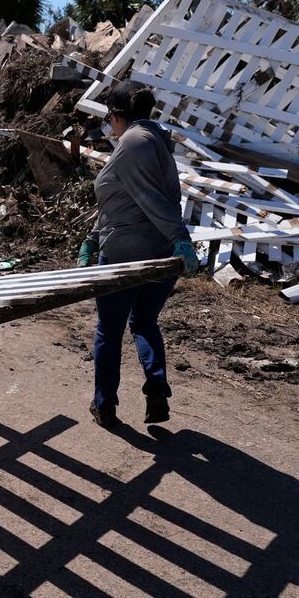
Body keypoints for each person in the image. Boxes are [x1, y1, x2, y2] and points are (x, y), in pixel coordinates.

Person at [77, 81, 199, 428]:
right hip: (160, 256)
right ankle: (156, 388)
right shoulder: (156, 139)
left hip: (125, 257)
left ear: (116, 116)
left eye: (109, 119)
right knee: (144, 322)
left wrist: (181, 238)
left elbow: (150, 199)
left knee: (109, 331)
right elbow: (122, 200)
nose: (109, 127)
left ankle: (105, 405)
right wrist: (92, 237)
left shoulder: (133, 142)